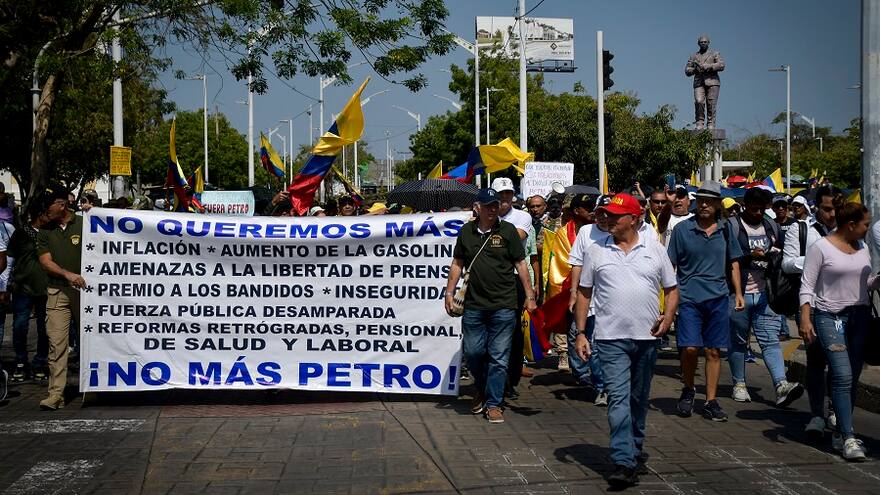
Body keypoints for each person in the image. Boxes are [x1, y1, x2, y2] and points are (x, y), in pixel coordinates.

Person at [574, 193, 679, 488]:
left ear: (633, 219)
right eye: (605, 213)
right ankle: (623, 460)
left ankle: (634, 447)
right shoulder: (596, 250)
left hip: (647, 337)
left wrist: (668, 318)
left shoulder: (654, 248)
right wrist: (581, 333)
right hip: (610, 339)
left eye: (614, 215)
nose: (607, 218)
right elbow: (584, 293)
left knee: (638, 398)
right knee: (618, 398)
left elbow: (671, 289)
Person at [445, 188, 537, 424]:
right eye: (488, 205)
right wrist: (449, 292)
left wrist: (529, 295)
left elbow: (521, 264)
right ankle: (483, 388)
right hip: (474, 305)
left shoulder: (507, 231)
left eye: (495, 205)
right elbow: (457, 263)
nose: (493, 209)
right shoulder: (466, 232)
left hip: (504, 304)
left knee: (498, 357)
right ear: (478, 208)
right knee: (473, 353)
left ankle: (494, 404)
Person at [799, 197, 876, 461]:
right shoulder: (821, 247)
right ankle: (848, 436)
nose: (868, 228)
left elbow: (865, 282)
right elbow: (807, 285)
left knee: (851, 377)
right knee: (842, 375)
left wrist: (877, 280)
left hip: (859, 317)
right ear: (851, 225)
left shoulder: (863, 247)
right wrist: (805, 318)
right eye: (865, 224)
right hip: (829, 317)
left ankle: (839, 431)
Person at [666, 181, 744, 421]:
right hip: (688, 298)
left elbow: (734, 262)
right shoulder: (682, 230)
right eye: (700, 200)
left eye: (709, 201)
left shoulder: (726, 229)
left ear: (718, 204)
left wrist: (738, 293)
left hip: (718, 298)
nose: (704, 205)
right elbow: (670, 266)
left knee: (713, 351)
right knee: (690, 348)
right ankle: (689, 388)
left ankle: (711, 400)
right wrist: (669, 300)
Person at [727, 187, 803, 406]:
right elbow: (727, 259)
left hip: (765, 294)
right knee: (738, 341)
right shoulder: (732, 226)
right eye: (754, 209)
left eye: (762, 209)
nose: (758, 213)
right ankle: (739, 384)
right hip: (738, 294)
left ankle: (781, 385)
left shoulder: (771, 226)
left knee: (770, 340)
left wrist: (772, 256)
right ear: (745, 207)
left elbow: (781, 251)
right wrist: (748, 256)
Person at [783, 185, 839, 439]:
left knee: (840, 363)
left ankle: (836, 409)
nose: (832, 214)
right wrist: (818, 258)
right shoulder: (801, 229)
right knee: (817, 361)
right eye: (827, 209)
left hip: (844, 306)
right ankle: (817, 413)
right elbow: (787, 264)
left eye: (836, 208)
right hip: (813, 305)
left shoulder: (848, 230)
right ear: (817, 207)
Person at [36, 186, 86, 411]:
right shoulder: (45, 230)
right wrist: (67, 275)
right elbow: (45, 262)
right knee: (57, 344)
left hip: (86, 293)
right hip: (57, 291)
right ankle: (56, 394)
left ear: (61, 205)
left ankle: (93, 387)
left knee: (90, 340)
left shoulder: (85, 223)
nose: (44, 214)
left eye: (48, 209)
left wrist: (96, 212)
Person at [490, 177, 535, 395]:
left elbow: (514, 238)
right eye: (500, 194)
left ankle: (510, 377)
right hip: (489, 279)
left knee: (512, 329)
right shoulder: (484, 217)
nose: (504, 198)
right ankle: (494, 380)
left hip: (513, 278)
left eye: (508, 193)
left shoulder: (522, 216)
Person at [567, 195, 610, 405]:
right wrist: (574, 292)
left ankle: (616, 385)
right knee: (593, 343)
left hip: (614, 300)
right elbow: (576, 263)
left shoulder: (622, 233)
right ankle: (601, 387)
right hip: (590, 299)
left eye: (608, 213)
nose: (604, 217)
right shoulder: (586, 232)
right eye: (600, 212)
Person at [9, 201, 50, 383]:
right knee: (20, 326)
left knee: (45, 328)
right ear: (40, 214)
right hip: (22, 288)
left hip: (46, 289)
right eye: (47, 212)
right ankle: (20, 361)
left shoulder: (51, 233)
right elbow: (10, 259)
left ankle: (40, 361)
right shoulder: (20, 233)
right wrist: (6, 284)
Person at [685, 35, 725, 130]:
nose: (703, 43)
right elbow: (687, 70)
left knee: (711, 103)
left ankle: (711, 123)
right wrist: (695, 69)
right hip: (699, 82)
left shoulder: (715, 54)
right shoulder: (694, 56)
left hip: (712, 82)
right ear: (698, 43)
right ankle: (699, 122)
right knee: (699, 101)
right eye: (701, 42)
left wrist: (709, 66)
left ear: (708, 43)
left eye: (705, 42)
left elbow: (721, 65)